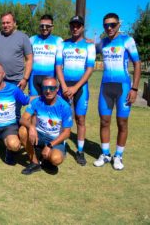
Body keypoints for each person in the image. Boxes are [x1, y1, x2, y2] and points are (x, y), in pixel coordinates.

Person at [94, 13, 141, 170]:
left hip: (124, 87)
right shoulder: (102, 42)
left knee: (122, 122)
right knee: (104, 121)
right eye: (106, 25)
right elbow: (90, 47)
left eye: (112, 25)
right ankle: (106, 154)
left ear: (119, 25)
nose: (109, 28)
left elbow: (137, 63)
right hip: (105, 87)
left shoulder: (127, 40)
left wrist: (134, 88)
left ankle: (118, 156)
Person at [55, 16, 96, 166]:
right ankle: (62, 146)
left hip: (80, 87)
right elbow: (58, 66)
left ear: (82, 27)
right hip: (64, 86)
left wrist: (75, 87)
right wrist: (64, 86)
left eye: (78, 25)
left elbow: (90, 69)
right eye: (72, 25)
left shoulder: (89, 45)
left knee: (80, 119)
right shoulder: (63, 44)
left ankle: (80, 151)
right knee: (62, 117)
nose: (75, 28)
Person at [19, 77, 73, 175]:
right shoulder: (37, 101)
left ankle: (46, 157)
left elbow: (66, 133)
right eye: (45, 88)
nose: (48, 91)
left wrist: (50, 145)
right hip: (39, 135)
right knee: (22, 130)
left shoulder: (64, 106)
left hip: (55, 139)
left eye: (52, 88)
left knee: (56, 159)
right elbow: (23, 119)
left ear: (57, 89)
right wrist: (31, 127)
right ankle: (34, 162)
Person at [0, 11, 33, 122]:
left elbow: (29, 59)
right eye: (3, 23)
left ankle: (14, 137)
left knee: (15, 111)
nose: (6, 25)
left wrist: (25, 78)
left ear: (14, 23)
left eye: (8, 22)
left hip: (16, 81)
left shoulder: (23, 37)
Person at [29, 14, 63, 96]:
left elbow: (72, 42)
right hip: (34, 78)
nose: (44, 28)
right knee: (34, 104)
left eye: (47, 26)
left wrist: (85, 40)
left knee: (49, 104)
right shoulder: (32, 39)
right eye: (42, 26)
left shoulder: (58, 41)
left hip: (50, 77)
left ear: (52, 27)